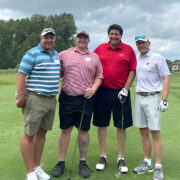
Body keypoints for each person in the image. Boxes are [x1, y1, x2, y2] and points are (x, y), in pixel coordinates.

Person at [52, 30, 103, 178]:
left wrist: (93, 89)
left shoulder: (94, 57)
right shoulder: (63, 54)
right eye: (79, 37)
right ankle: (61, 162)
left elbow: (99, 75)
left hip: (86, 99)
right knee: (65, 130)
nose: (82, 40)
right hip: (67, 97)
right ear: (75, 39)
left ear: (88, 40)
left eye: (85, 38)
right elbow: (56, 68)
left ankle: (82, 162)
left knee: (83, 131)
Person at [16, 28, 60, 180]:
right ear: (41, 38)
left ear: (54, 39)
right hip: (35, 99)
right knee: (29, 134)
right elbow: (21, 74)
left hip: (51, 100)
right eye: (46, 37)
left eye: (51, 38)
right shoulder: (32, 53)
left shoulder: (55, 54)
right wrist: (21, 98)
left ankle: (36, 167)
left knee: (42, 133)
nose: (49, 40)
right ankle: (30, 172)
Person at [93, 24, 137, 173]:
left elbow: (132, 70)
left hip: (121, 93)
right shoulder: (99, 49)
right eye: (111, 34)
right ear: (108, 35)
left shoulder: (128, 50)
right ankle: (103, 156)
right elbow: (91, 62)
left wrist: (126, 89)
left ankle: (120, 157)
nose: (113, 36)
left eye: (116, 34)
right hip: (102, 91)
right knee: (102, 124)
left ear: (121, 36)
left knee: (121, 125)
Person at [133, 35, 170, 180]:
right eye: (138, 43)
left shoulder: (157, 57)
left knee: (155, 132)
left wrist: (164, 99)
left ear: (149, 43)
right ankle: (147, 162)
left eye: (143, 43)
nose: (141, 45)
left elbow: (166, 77)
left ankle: (158, 167)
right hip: (139, 97)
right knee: (143, 131)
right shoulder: (136, 58)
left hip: (153, 97)